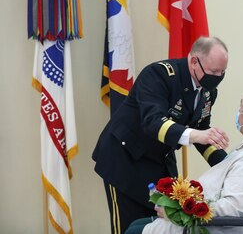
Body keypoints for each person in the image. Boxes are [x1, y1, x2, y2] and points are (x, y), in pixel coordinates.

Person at [92, 36, 230, 234]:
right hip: (124, 161)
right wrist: (198, 135)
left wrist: (228, 166)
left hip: (158, 163)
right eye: (214, 71)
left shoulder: (208, 91)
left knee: (159, 227)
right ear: (193, 61)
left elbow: (202, 132)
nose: (218, 77)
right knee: (127, 228)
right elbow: (153, 122)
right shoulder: (159, 75)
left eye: (222, 72)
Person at [124, 86, 243, 234]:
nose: (237, 111)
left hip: (217, 226)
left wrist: (182, 209)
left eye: (241, 107)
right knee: (136, 225)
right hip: (212, 222)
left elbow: (233, 208)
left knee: (134, 230)